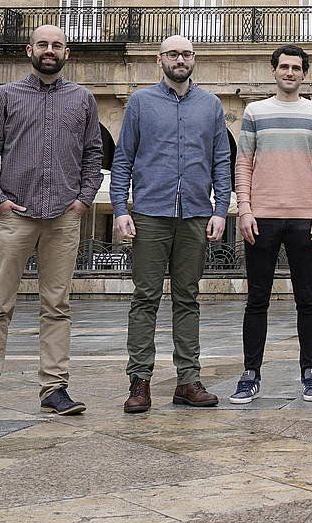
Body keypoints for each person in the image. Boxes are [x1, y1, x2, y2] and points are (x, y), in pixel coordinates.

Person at [0, 25, 103, 423]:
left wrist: (82, 201)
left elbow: (93, 155)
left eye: (57, 45)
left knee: (57, 306)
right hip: (13, 219)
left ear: (67, 53)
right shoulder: (4, 96)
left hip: (63, 216)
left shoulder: (82, 99)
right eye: (43, 44)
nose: (49, 50)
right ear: (30, 50)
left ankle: (54, 389)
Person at [111, 36, 231, 413]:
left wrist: (221, 209)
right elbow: (123, 158)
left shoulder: (210, 105)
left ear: (194, 59)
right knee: (145, 297)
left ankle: (188, 380)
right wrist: (119, 209)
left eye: (187, 54)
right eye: (174, 54)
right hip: (149, 212)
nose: (181, 59)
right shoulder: (141, 103)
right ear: (159, 59)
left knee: (188, 298)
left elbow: (221, 161)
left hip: (196, 213)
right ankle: (140, 381)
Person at [230, 45, 312, 404]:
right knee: (257, 299)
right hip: (261, 216)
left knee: (308, 299)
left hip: (305, 217)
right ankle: (250, 373)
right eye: (284, 67)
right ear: (273, 71)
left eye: (296, 68)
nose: (290, 73)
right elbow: (243, 163)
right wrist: (244, 209)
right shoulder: (255, 111)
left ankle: (311, 372)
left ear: (304, 74)